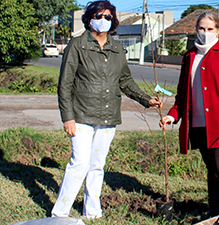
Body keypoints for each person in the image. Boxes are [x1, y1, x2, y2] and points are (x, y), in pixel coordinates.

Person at [52, 0, 161, 219]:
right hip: (81, 114)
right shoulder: (77, 45)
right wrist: (68, 118)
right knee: (79, 163)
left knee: (97, 165)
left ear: (113, 21)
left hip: (108, 115)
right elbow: (65, 84)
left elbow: (125, 80)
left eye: (107, 17)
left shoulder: (116, 48)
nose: (103, 21)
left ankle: (92, 211)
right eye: (98, 16)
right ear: (89, 18)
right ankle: (60, 213)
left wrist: (146, 100)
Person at [159, 11, 219, 218]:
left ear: (218, 30)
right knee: (212, 171)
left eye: (210, 29)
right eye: (201, 28)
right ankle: (214, 213)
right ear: (196, 29)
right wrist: (173, 115)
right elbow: (182, 92)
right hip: (198, 123)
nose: (205, 33)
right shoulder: (189, 56)